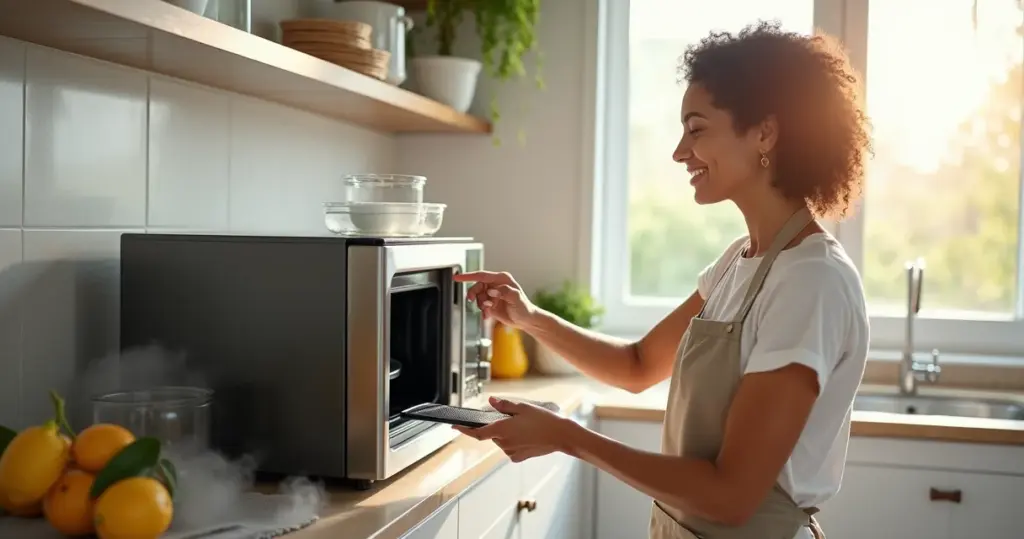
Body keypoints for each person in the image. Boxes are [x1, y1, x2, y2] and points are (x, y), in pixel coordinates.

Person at [452, 21, 871, 539]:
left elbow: (731, 494)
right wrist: (530, 318)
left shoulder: (812, 282)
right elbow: (637, 365)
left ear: (765, 131)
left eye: (696, 130)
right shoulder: (737, 263)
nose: (679, 152)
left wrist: (568, 438)